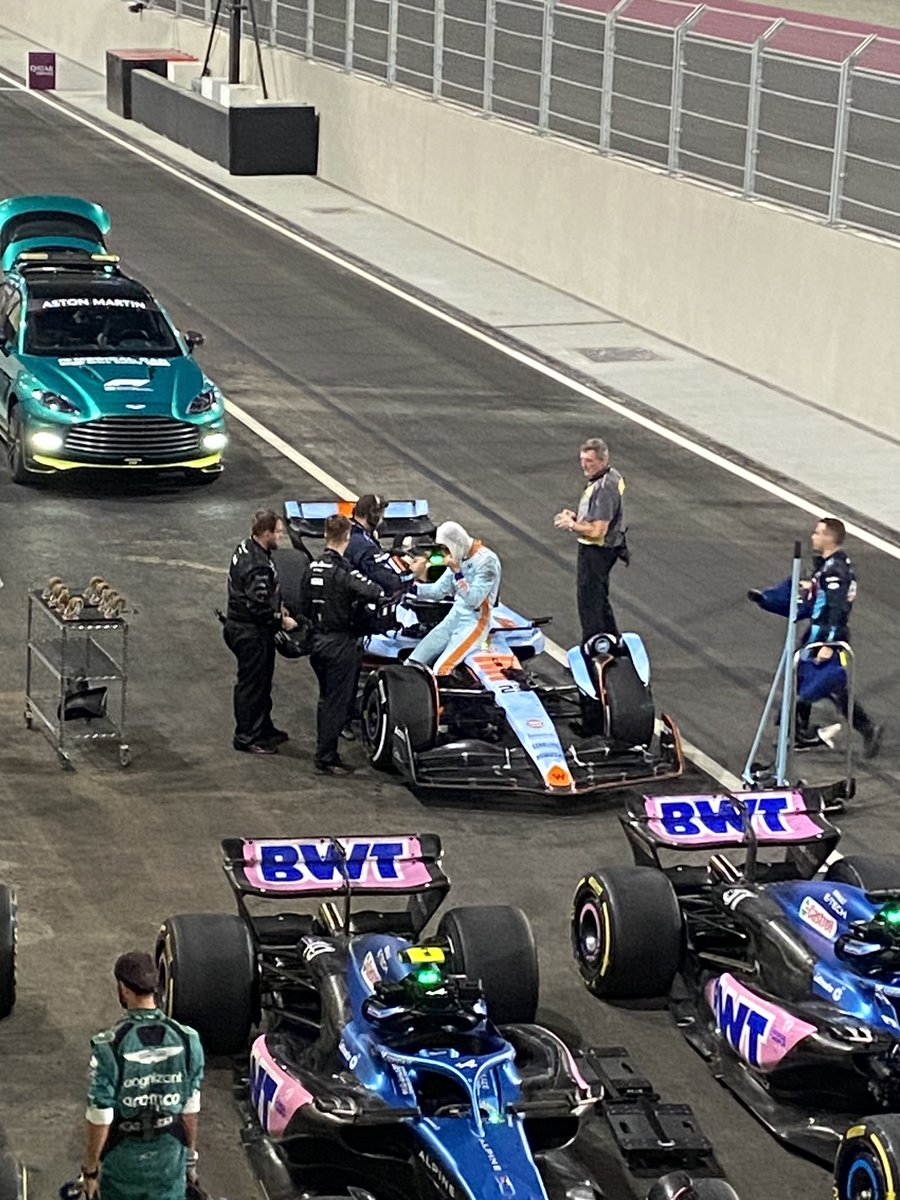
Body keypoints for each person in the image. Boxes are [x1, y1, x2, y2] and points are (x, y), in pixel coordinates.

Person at [748, 516, 883, 759]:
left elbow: (836, 609)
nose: (813, 536)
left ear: (829, 538)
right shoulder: (825, 565)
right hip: (817, 633)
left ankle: (867, 728)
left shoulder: (836, 571)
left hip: (829, 636)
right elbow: (810, 595)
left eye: (818, 533)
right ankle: (798, 732)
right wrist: (768, 599)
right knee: (800, 677)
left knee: (831, 685)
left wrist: (828, 644)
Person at [81, 951, 204, 1200]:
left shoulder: (110, 1047)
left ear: (124, 989)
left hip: (124, 1161)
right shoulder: (188, 1039)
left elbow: (100, 1116)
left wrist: (91, 1170)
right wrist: (190, 1159)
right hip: (169, 1159)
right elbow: (190, 1108)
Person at [304, 514, 386, 775]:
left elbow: (302, 603)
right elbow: (375, 591)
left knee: (325, 698)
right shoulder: (344, 572)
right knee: (337, 703)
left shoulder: (312, 567)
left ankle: (325, 750)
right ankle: (325, 755)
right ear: (347, 538)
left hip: (316, 642)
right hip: (340, 644)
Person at [223, 509, 297, 755]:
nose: (282, 536)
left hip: (241, 626)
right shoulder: (258, 566)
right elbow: (257, 607)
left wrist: (279, 604)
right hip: (250, 632)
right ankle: (246, 736)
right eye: (278, 532)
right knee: (252, 686)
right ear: (265, 533)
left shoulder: (246, 547)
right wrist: (280, 620)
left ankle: (262, 728)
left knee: (262, 683)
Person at [554, 438, 627, 641]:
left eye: (590, 461)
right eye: (582, 459)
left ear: (602, 461)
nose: (584, 465)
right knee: (599, 599)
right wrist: (577, 518)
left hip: (597, 550)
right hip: (605, 548)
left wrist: (571, 525)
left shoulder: (604, 487)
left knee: (589, 601)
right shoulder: (609, 477)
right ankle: (612, 639)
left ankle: (594, 646)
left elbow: (598, 531)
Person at [406, 520, 501, 675]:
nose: (445, 554)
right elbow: (438, 591)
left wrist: (458, 573)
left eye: (445, 548)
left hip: (475, 623)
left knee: (441, 669)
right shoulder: (460, 558)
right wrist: (407, 587)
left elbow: (474, 600)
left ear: (455, 542)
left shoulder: (487, 561)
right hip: (454, 616)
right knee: (414, 661)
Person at [345, 494, 411, 595]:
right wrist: (411, 575)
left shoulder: (348, 531)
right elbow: (387, 581)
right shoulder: (364, 544)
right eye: (381, 516)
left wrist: (389, 552)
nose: (382, 520)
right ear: (373, 515)